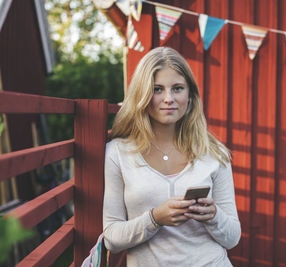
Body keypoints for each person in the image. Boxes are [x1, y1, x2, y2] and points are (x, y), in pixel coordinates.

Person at [103, 47, 241, 267]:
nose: (169, 98)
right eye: (157, 89)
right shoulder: (118, 153)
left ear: (190, 95)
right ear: (142, 94)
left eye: (177, 88)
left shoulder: (215, 154)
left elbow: (232, 237)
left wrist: (213, 215)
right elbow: (111, 238)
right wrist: (154, 219)